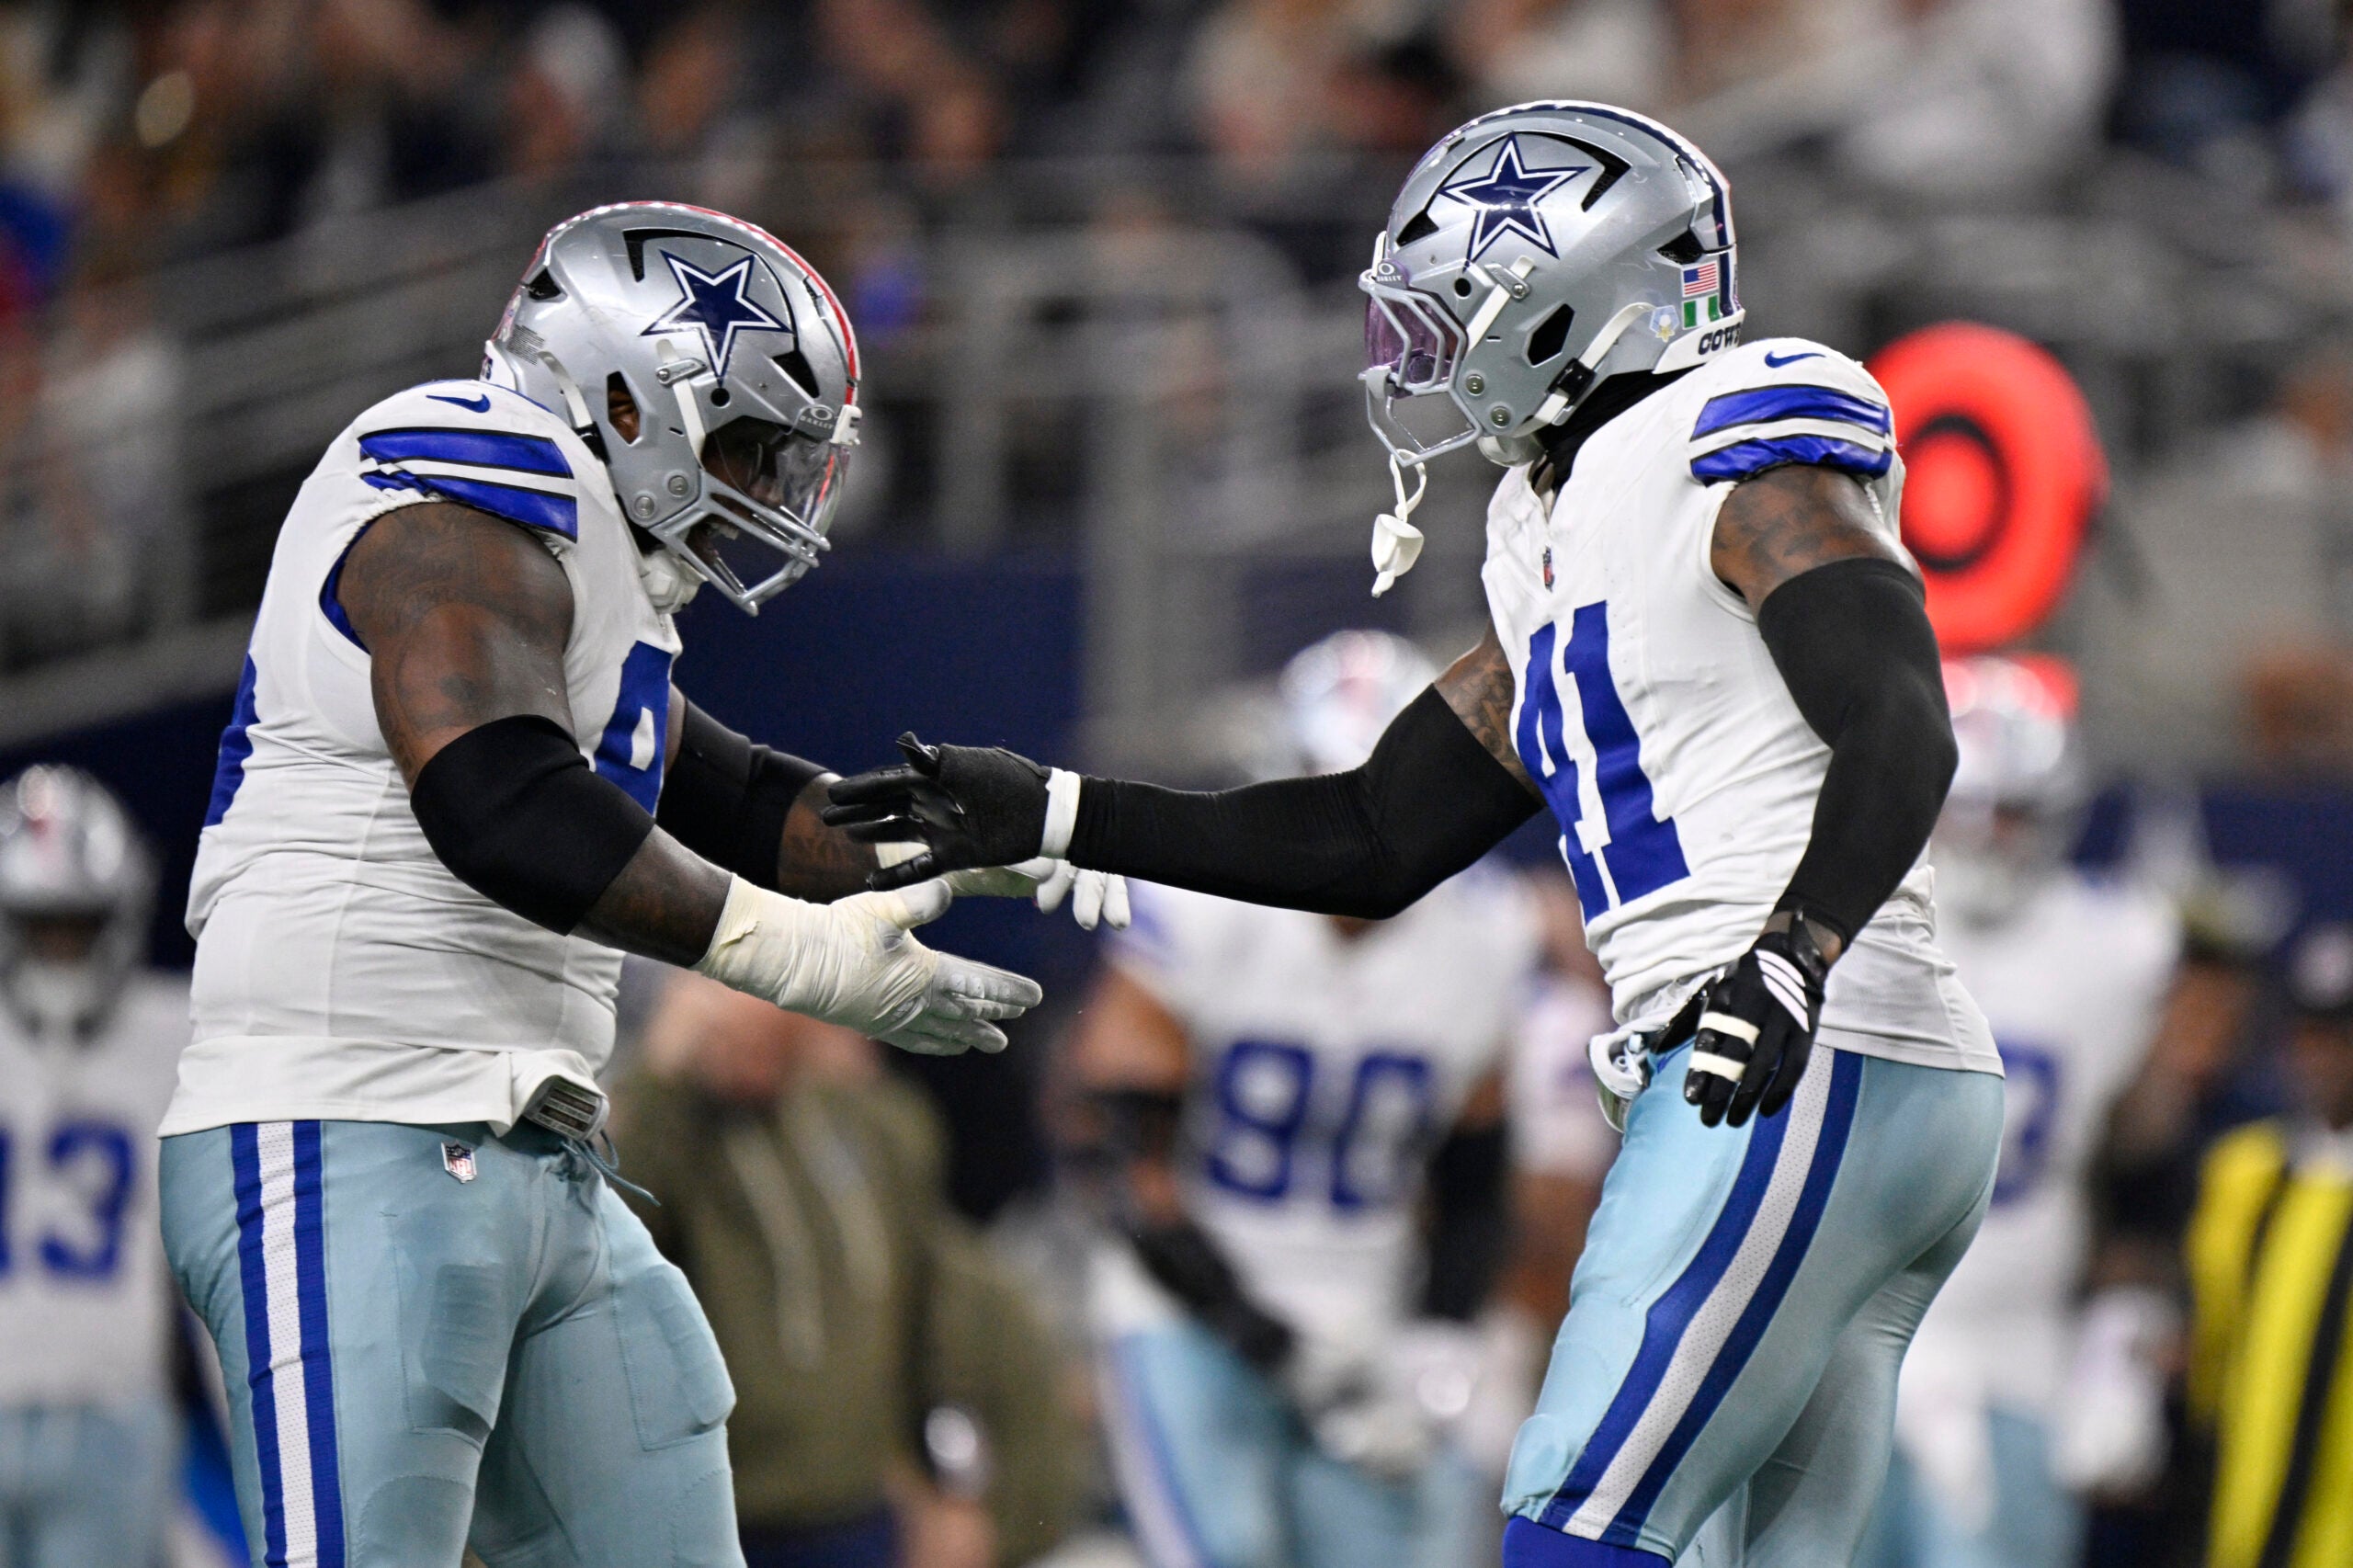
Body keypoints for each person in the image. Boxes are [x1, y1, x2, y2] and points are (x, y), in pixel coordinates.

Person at [825, 101, 2006, 1568]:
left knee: (1573, 1529)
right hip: (1824, 1064)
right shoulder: (1556, 523)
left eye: (1453, 316)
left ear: (1573, 296)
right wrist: (1062, 814)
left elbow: (1903, 716)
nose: (1421, 359)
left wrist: (1794, 949)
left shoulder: (1734, 435)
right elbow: (1375, 832)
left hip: (1788, 1049)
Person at [155, 201, 1120, 1568]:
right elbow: (502, 803)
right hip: (347, 1121)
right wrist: (789, 953)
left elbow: (730, 793)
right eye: (749, 443)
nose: (773, 489)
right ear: (621, 393)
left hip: (536, 1145)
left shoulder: (596, 566)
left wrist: (974, 839)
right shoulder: (456, 483)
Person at [1066, 630, 1544, 1568]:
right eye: (1331, 790)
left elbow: (1477, 1176)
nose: (1359, 829)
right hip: (1192, 1310)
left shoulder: (1485, 936)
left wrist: (1444, 1333)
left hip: (1368, 1311)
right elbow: (1118, 1166)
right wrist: (1265, 1337)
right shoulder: (1201, 908)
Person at [1854, 655, 2179, 1568]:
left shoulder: (2115, 946)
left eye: (2016, 811)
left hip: (2018, 1357)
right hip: (1837, 1356)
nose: (1994, 836)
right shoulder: (1859, 922)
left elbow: (2146, 1167)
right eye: (1976, 807)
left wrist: (2120, 1335)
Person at [613, 971, 1083, 1568]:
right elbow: (606, 1252)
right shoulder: (677, 1139)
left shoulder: (870, 1127)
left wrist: (953, 1484)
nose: (742, 1025)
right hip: (719, 1515)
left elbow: (941, 1322)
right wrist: (663, 1075)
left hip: (862, 1513)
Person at [0, 766, 185, 1566]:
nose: (62, 948)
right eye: (43, 926)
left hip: (114, 1410)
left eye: (78, 924)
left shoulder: (174, 1032)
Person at [2182, 922, 2353, 1568]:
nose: (2325, 1056)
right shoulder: (2242, 1174)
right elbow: (2209, 1347)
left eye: (2343, 1038)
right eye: (2312, 1035)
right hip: (2236, 1528)